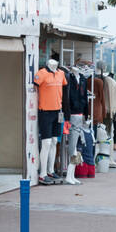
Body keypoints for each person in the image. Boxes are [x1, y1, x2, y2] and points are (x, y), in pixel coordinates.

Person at [33, 55, 66, 185]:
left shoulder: (61, 73)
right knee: (46, 143)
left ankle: (51, 171)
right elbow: (34, 88)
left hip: (58, 111)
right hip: (45, 112)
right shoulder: (41, 74)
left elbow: (64, 90)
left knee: (54, 142)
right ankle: (42, 173)